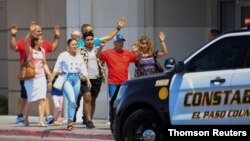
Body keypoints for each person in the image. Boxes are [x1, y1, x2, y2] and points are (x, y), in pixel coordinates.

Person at [74, 17, 126, 123]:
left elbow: (108, 37)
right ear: (84, 32)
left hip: (95, 77)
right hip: (82, 77)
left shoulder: (95, 41)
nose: (92, 32)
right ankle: (76, 113)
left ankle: (86, 117)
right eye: (90, 30)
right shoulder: (78, 43)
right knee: (80, 98)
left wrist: (118, 28)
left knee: (90, 98)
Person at [10, 22, 60, 124]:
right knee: (27, 97)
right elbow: (14, 47)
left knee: (43, 97)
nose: (40, 33)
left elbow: (52, 48)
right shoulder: (27, 44)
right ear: (33, 32)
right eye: (38, 31)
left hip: (41, 76)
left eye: (41, 31)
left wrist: (56, 37)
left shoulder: (42, 45)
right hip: (28, 75)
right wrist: (14, 35)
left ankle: (44, 118)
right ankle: (22, 116)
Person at [96, 34, 141, 124]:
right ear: (114, 43)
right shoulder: (108, 53)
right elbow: (98, 56)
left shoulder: (127, 53)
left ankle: (120, 119)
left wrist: (138, 51)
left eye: (122, 42)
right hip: (113, 82)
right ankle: (112, 119)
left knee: (123, 101)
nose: (121, 44)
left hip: (124, 83)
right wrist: (101, 47)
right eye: (119, 42)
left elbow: (137, 59)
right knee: (113, 101)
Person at [48, 39, 91, 131]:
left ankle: (70, 122)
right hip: (66, 79)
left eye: (76, 45)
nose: (75, 46)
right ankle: (70, 123)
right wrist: (50, 81)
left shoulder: (79, 56)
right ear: (68, 46)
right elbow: (56, 68)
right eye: (73, 45)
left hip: (77, 79)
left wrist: (88, 80)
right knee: (71, 100)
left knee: (73, 102)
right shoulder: (63, 55)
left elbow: (83, 68)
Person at [23, 27, 52, 127]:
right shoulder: (29, 50)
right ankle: (25, 118)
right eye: (41, 39)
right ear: (35, 41)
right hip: (31, 78)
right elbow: (26, 41)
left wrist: (49, 74)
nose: (42, 41)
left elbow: (44, 64)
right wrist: (30, 32)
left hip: (41, 78)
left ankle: (41, 121)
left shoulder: (43, 51)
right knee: (30, 100)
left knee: (42, 99)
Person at [77, 32, 106, 128]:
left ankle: (90, 119)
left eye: (91, 39)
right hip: (85, 78)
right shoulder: (80, 50)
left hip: (97, 78)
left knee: (93, 100)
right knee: (87, 97)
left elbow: (101, 59)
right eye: (87, 40)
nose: (90, 41)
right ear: (84, 41)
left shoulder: (98, 49)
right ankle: (88, 120)